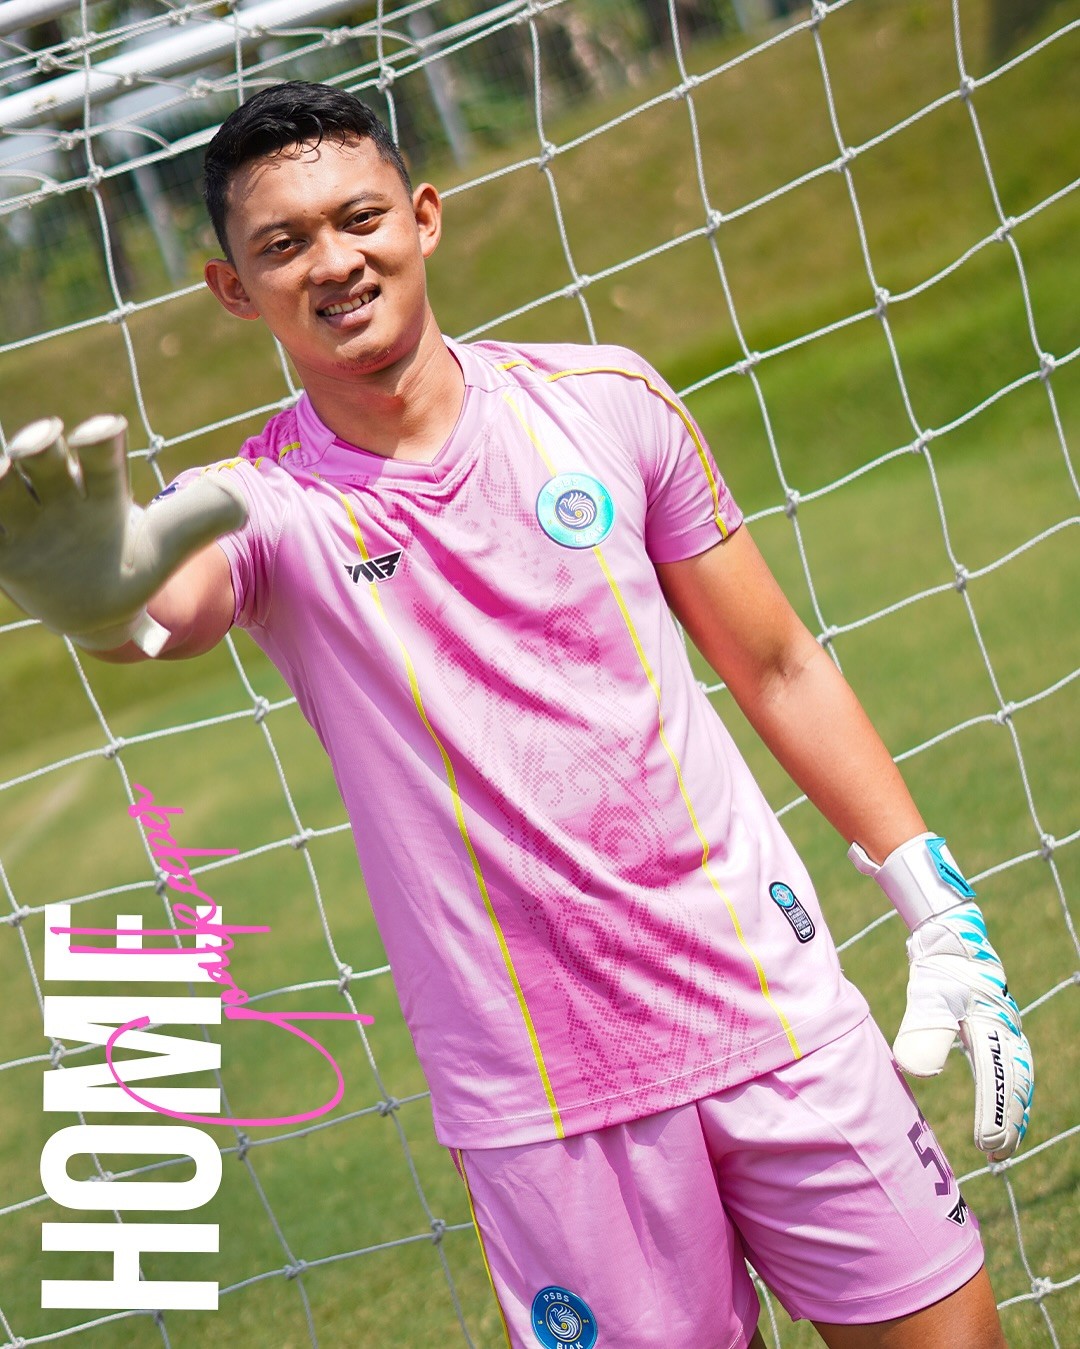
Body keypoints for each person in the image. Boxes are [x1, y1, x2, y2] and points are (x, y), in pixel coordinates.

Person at [0, 81, 1033, 1348]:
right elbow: (170, 599)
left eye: (359, 217)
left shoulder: (606, 400)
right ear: (234, 288)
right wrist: (98, 602)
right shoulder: (258, 501)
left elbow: (777, 665)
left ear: (423, 217)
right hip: (547, 1099)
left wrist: (938, 908)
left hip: (773, 1012)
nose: (335, 262)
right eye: (283, 243)